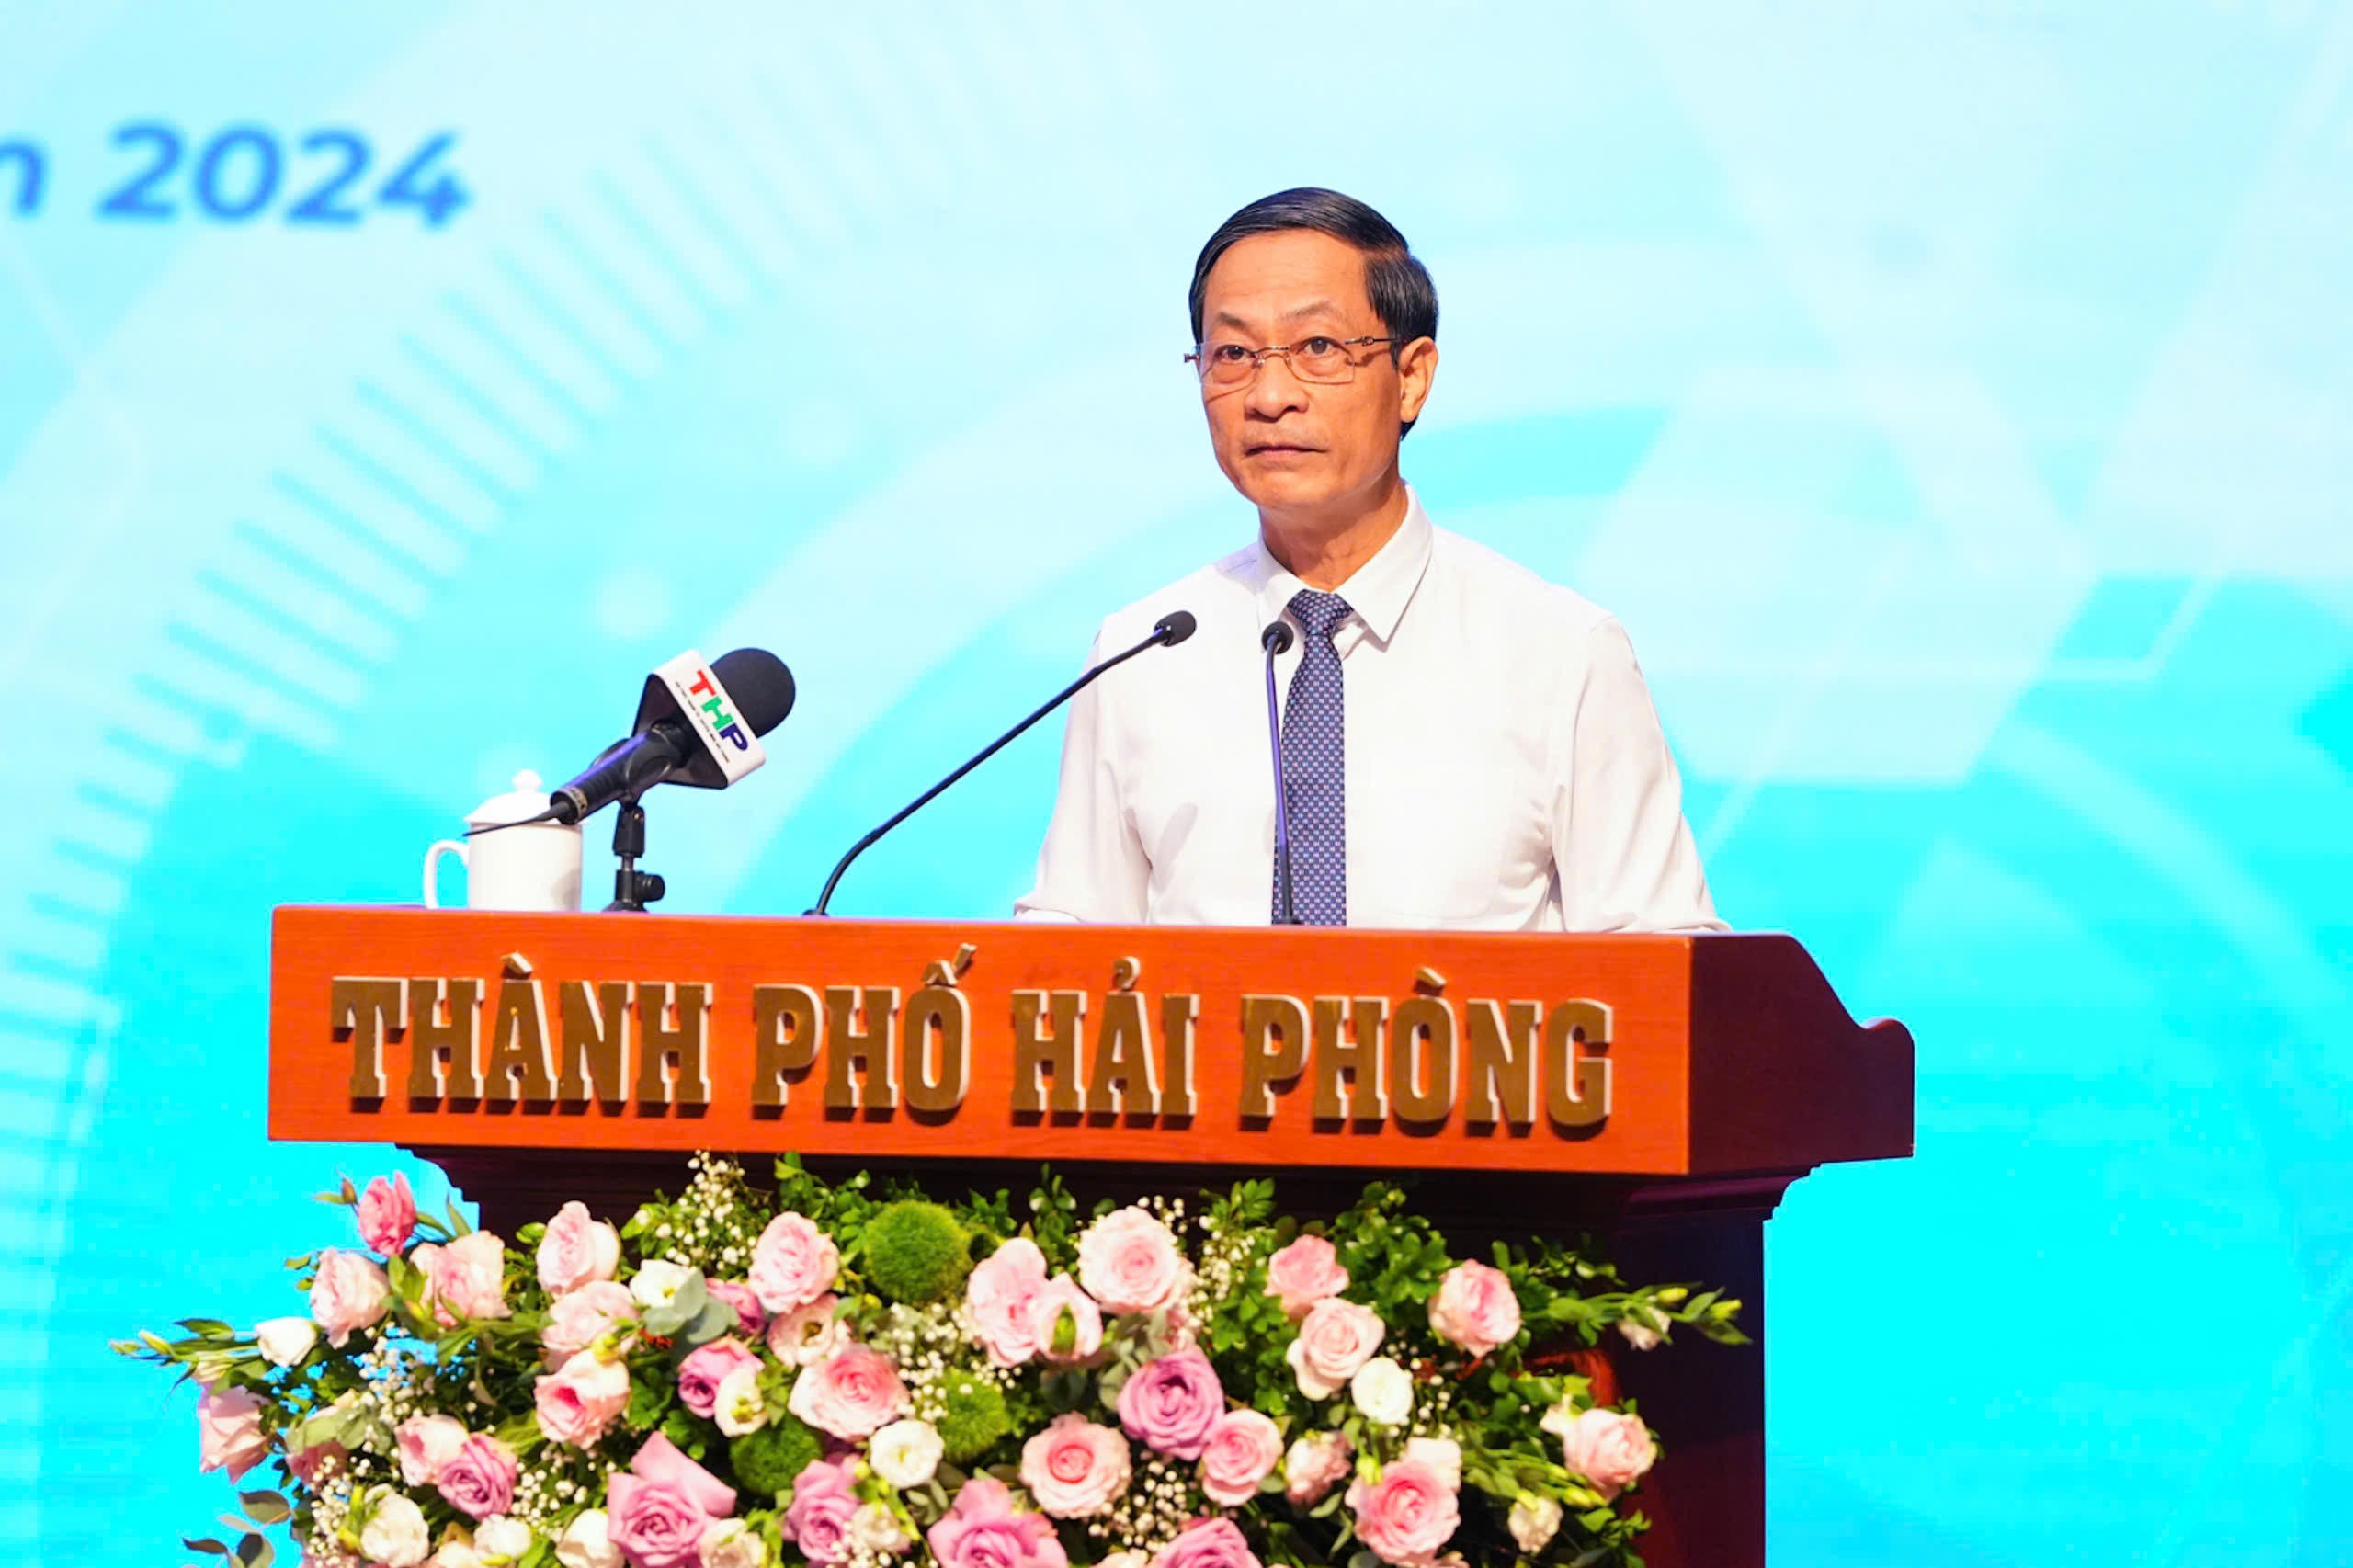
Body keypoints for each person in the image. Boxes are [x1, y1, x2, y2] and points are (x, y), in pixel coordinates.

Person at [1015, 187, 1722, 932]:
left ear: (1412, 377)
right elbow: (1066, 950)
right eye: (1234, 355)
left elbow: (1665, 959)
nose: (1270, 396)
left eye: (1319, 348)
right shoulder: (1143, 652)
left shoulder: (1561, 653)